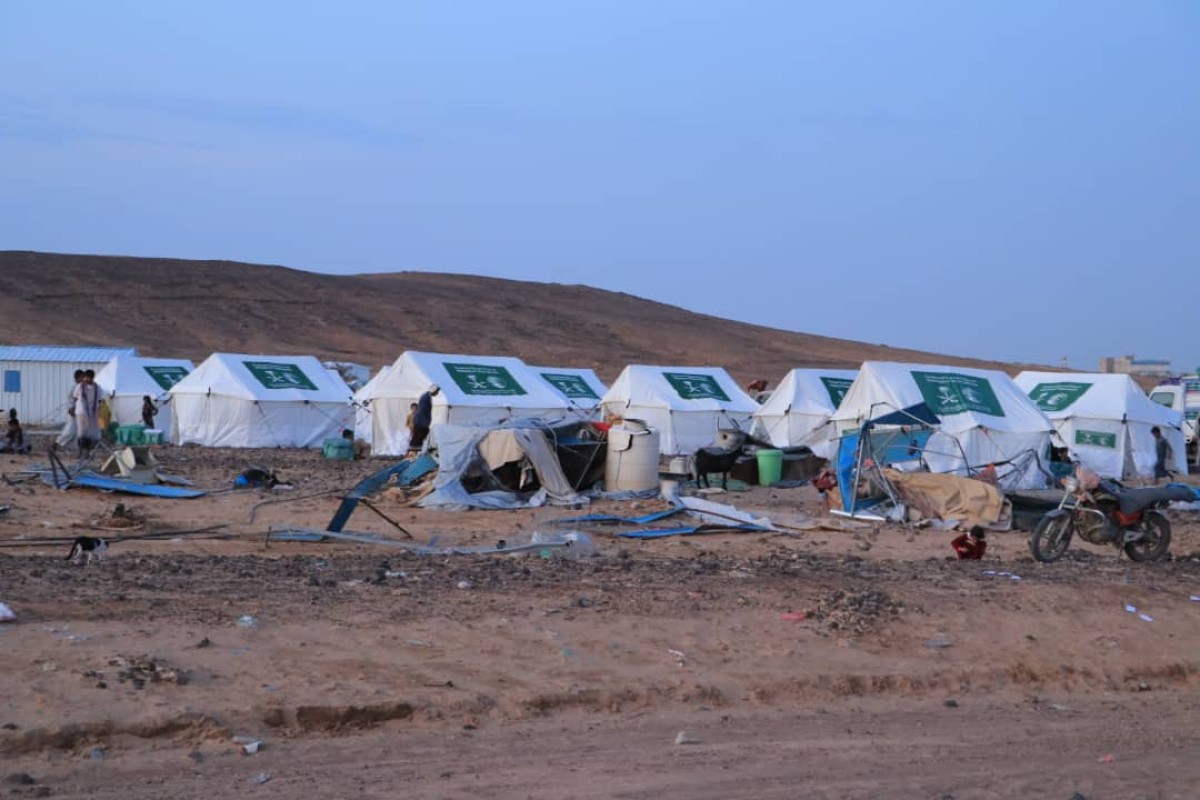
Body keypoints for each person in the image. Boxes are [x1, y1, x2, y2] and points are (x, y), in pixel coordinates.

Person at [54, 370, 85, 451]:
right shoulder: (73, 387)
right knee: (70, 430)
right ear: (78, 378)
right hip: (73, 411)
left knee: (77, 432)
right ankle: (57, 443)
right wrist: (71, 408)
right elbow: (70, 399)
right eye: (82, 377)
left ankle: (72, 447)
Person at [73, 369, 102, 456]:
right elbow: (75, 397)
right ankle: (80, 452)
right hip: (81, 412)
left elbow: (100, 400)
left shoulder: (97, 388)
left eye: (89, 378)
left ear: (92, 378)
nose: (87, 380)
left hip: (92, 413)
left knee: (89, 433)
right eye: (86, 378)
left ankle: (87, 452)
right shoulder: (79, 387)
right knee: (81, 433)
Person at [408, 385, 439, 452]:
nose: (437, 393)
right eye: (436, 391)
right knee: (417, 439)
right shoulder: (426, 397)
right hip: (421, 422)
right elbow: (422, 410)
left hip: (422, 422)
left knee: (421, 438)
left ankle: (417, 452)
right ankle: (413, 453)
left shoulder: (427, 396)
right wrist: (425, 422)